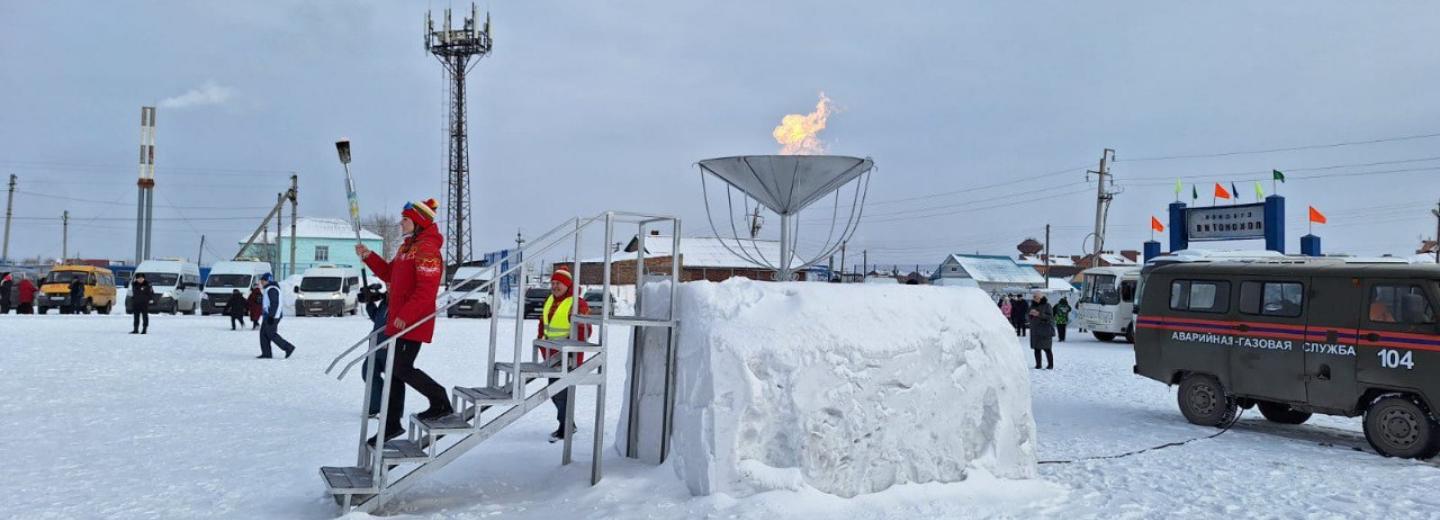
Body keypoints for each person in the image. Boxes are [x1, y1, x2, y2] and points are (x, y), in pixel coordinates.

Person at [356, 198, 451, 446]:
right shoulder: (407, 248)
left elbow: (426, 292)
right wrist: (368, 256)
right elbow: (389, 274)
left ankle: (440, 400)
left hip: (412, 322)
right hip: (399, 321)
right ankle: (391, 425)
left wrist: (403, 318)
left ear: (418, 222)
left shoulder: (427, 249)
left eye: (405, 219)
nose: (401, 223)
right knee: (395, 371)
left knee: (400, 368)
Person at [537, 266, 592, 443]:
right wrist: (540, 342)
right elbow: (543, 325)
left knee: (560, 392)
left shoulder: (576, 303)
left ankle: (565, 426)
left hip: (567, 356)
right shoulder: (550, 301)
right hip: (551, 355)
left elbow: (585, 330)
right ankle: (568, 424)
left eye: (558, 283)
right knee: (556, 392)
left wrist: (572, 351)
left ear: (567, 285)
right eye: (553, 283)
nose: (555, 286)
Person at [361, 284, 390, 417]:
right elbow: (377, 318)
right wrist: (369, 302)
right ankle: (376, 405)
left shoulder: (399, 301)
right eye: (388, 283)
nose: (388, 285)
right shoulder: (386, 300)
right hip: (376, 344)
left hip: (388, 346)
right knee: (368, 372)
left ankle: (380, 407)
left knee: (393, 379)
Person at [257, 272, 296, 359]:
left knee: (271, 334)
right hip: (268, 315)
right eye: (261, 281)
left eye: (263, 281)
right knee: (263, 334)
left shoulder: (272, 289)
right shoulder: (269, 289)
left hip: (272, 316)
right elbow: (269, 302)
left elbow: (275, 303)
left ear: (268, 280)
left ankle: (288, 347)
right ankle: (266, 353)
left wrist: (271, 316)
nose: (262, 282)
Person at [1028, 292, 1055, 369]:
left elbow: (1050, 317)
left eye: (1035, 297)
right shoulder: (1032, 306)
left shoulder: (1047, 305)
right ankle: (1038, 365)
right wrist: (1030, 315)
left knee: (1047, 349)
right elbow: (1027, 315)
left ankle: (1050, 365)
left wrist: (1039, 314)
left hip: (1045, 330)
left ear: (1041, 297)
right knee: (1036, 349)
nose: (1034, 298)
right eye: (1033, 297)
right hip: (1035, 330)